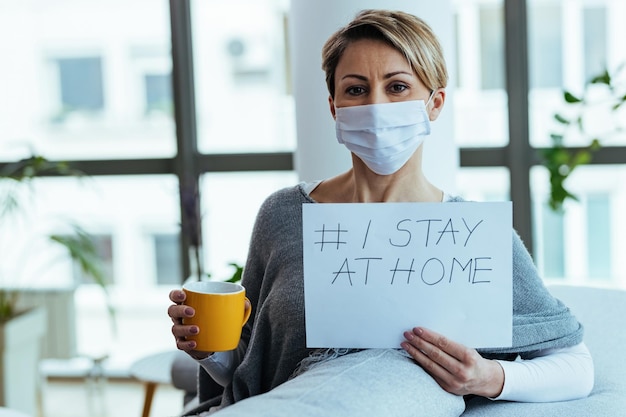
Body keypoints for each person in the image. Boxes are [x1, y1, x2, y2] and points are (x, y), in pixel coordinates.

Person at [168, 9, 593, 416]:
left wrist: (487, 377)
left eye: (397, 87)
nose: (376, 106)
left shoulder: (475, 235)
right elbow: (249, 365)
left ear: (435, 103)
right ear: (334, 107)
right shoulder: (284, 214)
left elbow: (576, 367)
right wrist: (207, 349)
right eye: (355, 89)